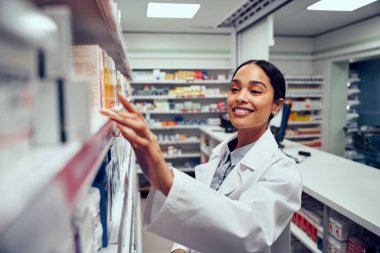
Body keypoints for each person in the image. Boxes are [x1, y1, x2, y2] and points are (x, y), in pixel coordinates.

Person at [101, 59, 303, 253]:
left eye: (255, 91)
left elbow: (249, 234)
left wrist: (167, 181)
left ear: (276, 106)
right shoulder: (220, 156)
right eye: (234, 89)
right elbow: (200, 213)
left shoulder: (282, 173)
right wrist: (180, 248)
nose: (240, 97)